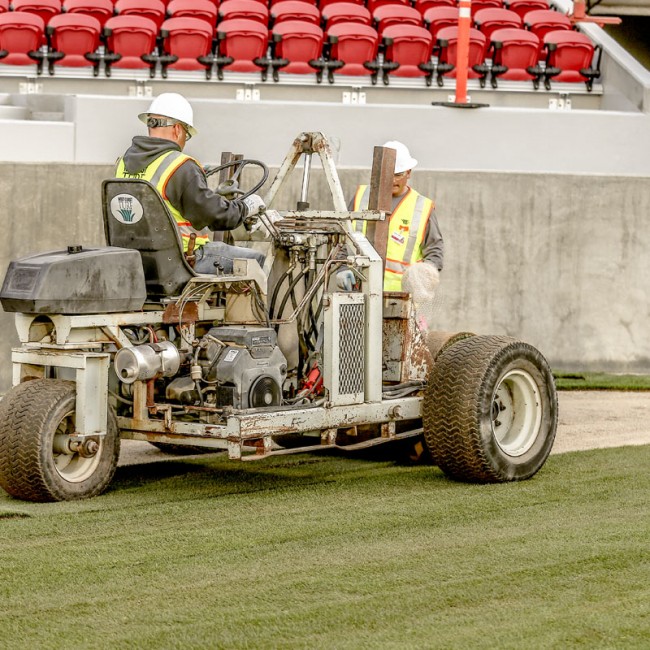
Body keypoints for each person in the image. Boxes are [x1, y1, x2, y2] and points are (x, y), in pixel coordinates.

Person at [115, 92, 267, 274]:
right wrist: (245, 207)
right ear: (178, 129)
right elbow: (216, 216)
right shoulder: (180, 165)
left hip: (137, 261)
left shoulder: (123, 162)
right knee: (259, 261)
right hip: (181, 260)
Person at [342, 141, 444, 292]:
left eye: (398, 175)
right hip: (359, 291)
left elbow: (434, 250)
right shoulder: (361, 197)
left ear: (408, 173)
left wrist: (424, 276)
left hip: (400, 298)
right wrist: (342, 268)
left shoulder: (422, 207)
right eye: (388, 175)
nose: (393, 180)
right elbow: (343, 237)